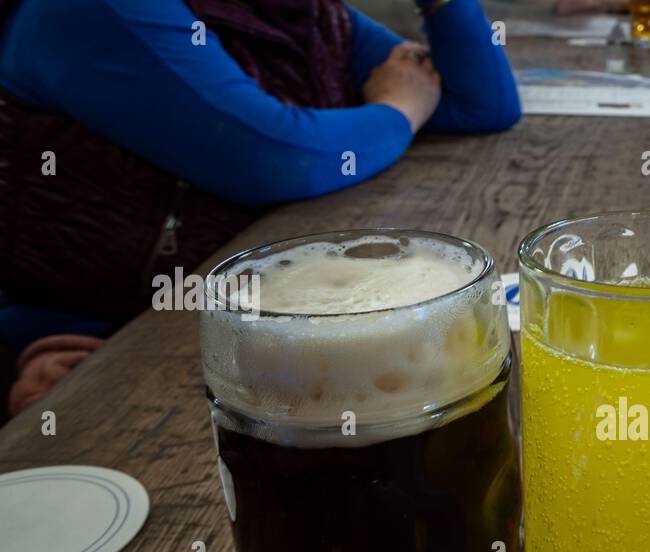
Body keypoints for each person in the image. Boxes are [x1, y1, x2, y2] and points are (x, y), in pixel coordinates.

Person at [0, 0, 520, 411]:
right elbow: (276, 157)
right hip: (102, 340)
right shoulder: (99, 9)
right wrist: (399, 108)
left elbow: (482, 105)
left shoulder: (304, 14)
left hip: (262, 320)